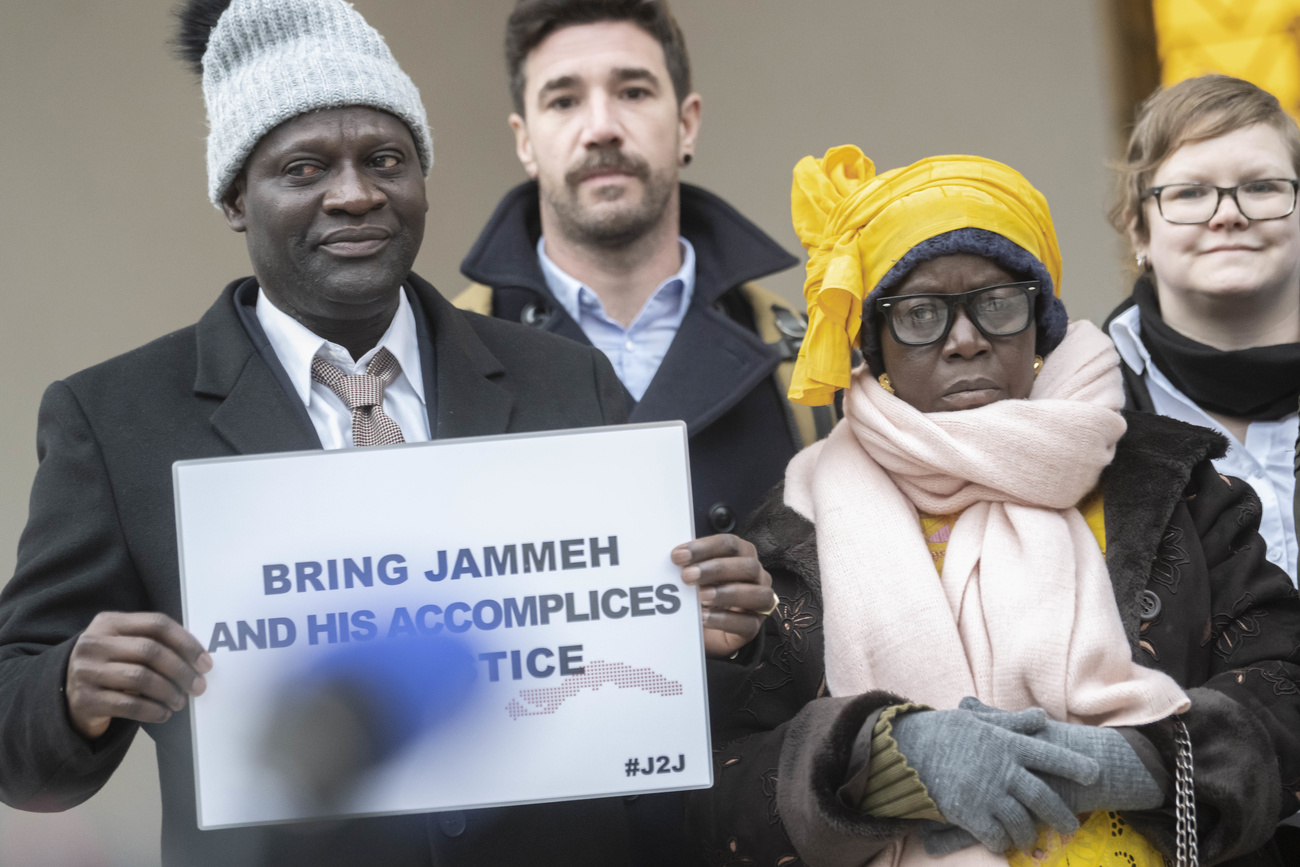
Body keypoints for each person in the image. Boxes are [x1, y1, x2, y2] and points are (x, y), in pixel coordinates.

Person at [0, 1, 774, 865]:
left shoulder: (566, 381)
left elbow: (641, 673)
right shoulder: (115, 420)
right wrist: (72, 688)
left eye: (385, 159)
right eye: (303, 167)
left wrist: (718, 621)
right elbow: (14, 737)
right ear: (233, 198)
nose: (355, 192)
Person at [689, 146, 1300, 866]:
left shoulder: (1168, 481)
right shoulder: (792, 529)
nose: (966, 338)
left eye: (998, 304)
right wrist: (885, 755)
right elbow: (714, 787)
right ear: (874, 345)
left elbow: (1282, 685)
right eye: (919, 314)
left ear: (1039, 322)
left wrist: (1141, 762)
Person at [453, 0, 833, 540]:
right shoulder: (447, 357)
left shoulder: (809, 363)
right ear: (524, 141)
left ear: (686, 124)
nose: (602, 128)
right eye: (564, 101)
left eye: (633, 92)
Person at [1106, 74, 1300, 586]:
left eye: (1261, 187)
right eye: (1191, 192)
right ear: (1138, 228)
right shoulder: (1082, 407)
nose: (1229, 214)